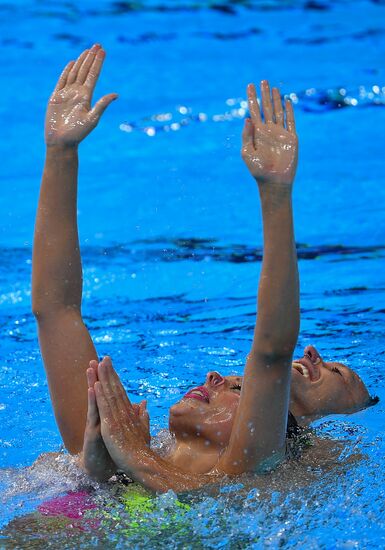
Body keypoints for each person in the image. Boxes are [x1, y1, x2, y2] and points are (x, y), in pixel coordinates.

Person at [32, 44, 375, 494]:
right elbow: (56, 310)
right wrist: (60, 152)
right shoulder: (114, 439)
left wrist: (276, 196)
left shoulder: (244, 470)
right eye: (237, 384)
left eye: (237, 388)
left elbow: (270, 352)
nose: (214, 376)